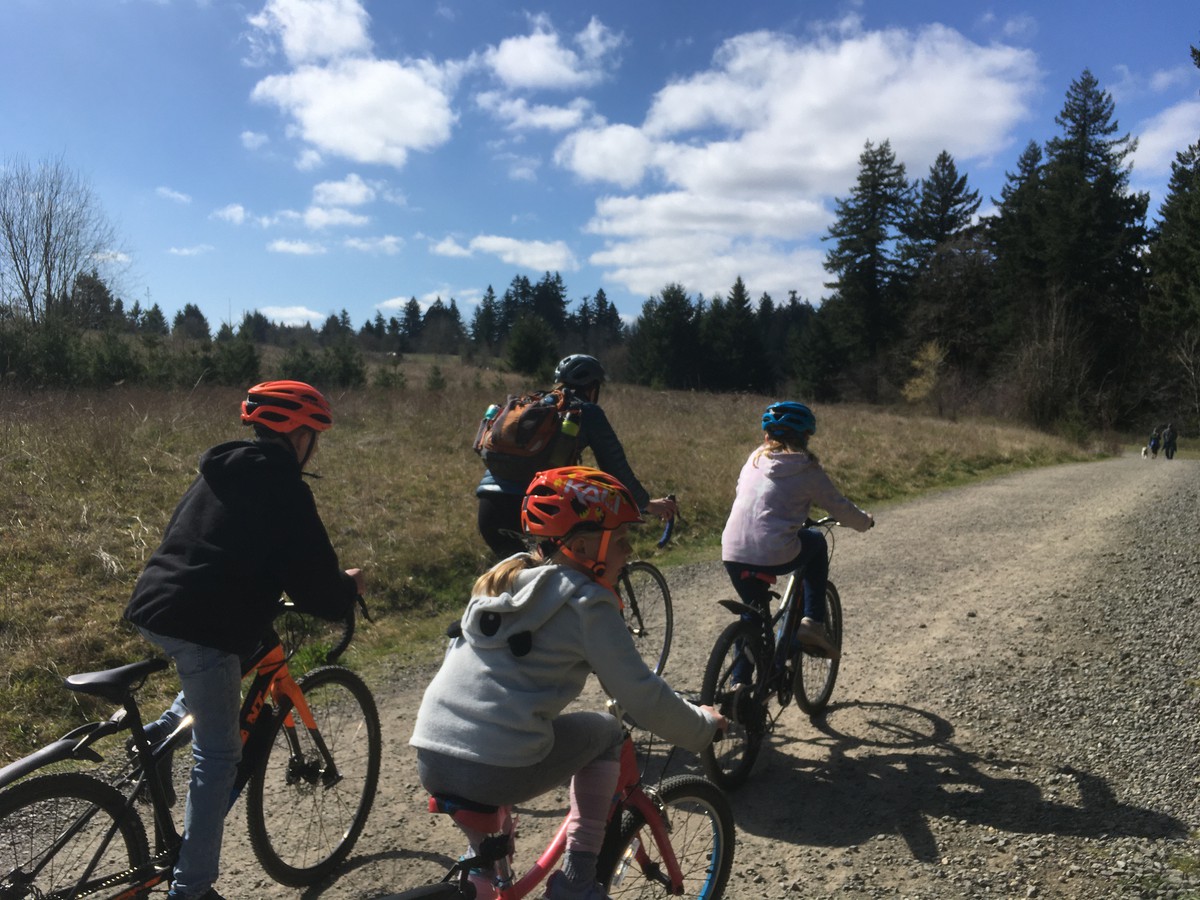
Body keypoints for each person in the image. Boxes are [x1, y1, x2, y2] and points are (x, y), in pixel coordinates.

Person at [413, 466, 726, 900]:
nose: (629, 551)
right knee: (607, 733)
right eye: (620, 540)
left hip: (431, 752)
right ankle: (577, 882)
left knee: (491, 873)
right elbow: (641, 698)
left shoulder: (504, 580)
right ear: (581, 547)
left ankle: (486, 878)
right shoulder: (588, 604)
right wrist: (702, 726)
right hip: (493, 766)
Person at [124, 380, 365, 900]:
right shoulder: (285, 488)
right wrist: (346, 590)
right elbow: (316, 585)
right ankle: (191, 889)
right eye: (315, 435)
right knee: (219, 755)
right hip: (202, 621)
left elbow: (213, 546)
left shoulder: (219, 470)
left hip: (157, 604)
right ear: (298, 435)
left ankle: (158, 741)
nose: (314, 446)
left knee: (213, 673)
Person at [476, 354, 677, 559]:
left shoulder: (533, 405)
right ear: (593, 387)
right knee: (582, 570)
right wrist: (647, 504)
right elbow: (616, 469)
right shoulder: (586, 411)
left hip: (489, 507)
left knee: (517, 582)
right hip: (538, 511)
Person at [721, 401, 874, 669]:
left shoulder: (755, 458)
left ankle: (739, 686)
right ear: (805, 437)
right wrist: (864, 522)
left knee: (752, 615)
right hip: (773, 549)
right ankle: (812, 622)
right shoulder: (806, 468)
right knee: (815, 542)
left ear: (768, 437)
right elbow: (840, 507)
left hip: (732, 550)